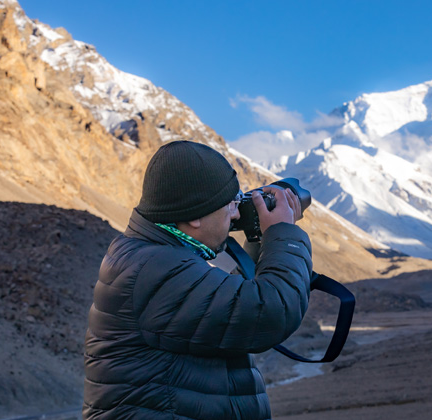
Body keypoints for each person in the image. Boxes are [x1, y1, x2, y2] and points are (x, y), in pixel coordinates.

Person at [83, 140, 312, 420]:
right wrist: (283, 235)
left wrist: (261, 239)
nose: (237, 213)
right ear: (194, 217)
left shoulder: (152, 256)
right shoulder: (156, 268)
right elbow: (270, 313)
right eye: (230, 204)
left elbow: (228, 306)